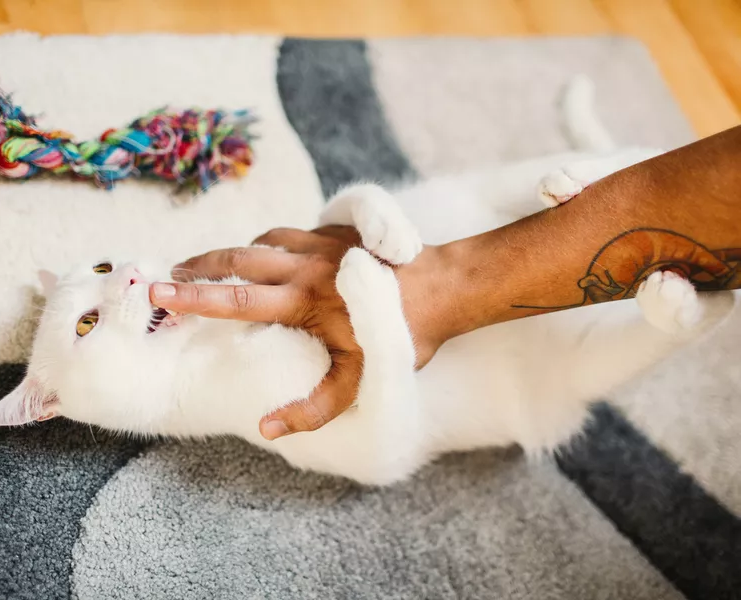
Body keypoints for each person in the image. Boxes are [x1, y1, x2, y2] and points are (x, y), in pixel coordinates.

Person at [149, 125, 741, 441]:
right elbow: (386, 454)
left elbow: (355, 219)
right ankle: (674, 310)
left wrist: (363, 210)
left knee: (497, 197)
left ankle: (616, 181)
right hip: (529, 375)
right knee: (568, 383)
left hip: (470, 248)